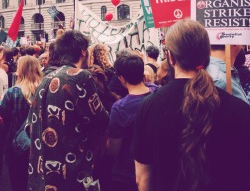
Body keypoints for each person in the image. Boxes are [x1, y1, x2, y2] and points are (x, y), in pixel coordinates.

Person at [132, 19, 250, 191]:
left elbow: (142, 179)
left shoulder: (148, 107)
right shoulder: (240, 110)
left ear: (171, 57)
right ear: (207, 54)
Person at [27, 30, 109, 191]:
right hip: (71, 175)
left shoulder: (46, 79)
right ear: (83, 52)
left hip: (41, 176)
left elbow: (29, 126)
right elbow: (102, 119)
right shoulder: (81, 77)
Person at [107, 54, 159, 191]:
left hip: (128, 172)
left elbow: (114, 150)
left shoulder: (120, 108)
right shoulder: (158, 92)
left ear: (121, 78)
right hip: (159, 166)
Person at [0, 55, 43, 191]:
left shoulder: (12, 93)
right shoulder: (45, 90)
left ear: (21, 70)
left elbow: (4, 119)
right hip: (41, 145)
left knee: (18, 183)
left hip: (16, 146)